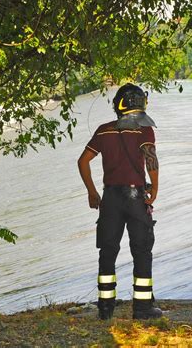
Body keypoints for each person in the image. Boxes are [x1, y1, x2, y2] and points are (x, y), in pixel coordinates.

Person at [78, 83, 162, 320]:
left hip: (110, 198)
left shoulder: (104, 130)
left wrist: (92, 192)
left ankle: (105, 308)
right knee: (142, 250)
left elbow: (82, 161)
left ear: (118, 105)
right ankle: (143, 308)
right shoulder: (144, 131)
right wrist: (154, 188)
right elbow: (151, 160)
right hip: (136, 198)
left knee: (107, 251)